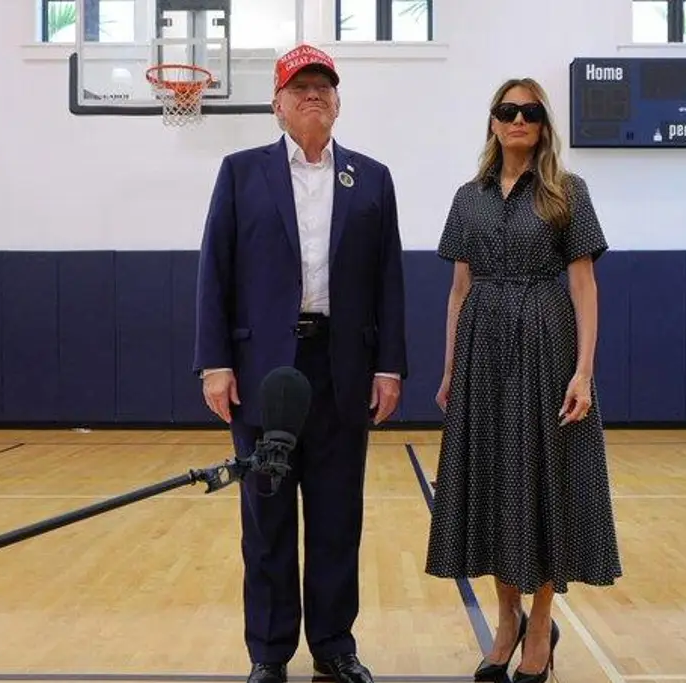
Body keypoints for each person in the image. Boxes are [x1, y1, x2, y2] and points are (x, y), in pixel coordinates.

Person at [193, 43, 407, 683]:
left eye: (324, 86)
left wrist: (389, 366)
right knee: (266, 522)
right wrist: (214, 363)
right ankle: (269, 653)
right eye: (300, 86)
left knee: (339, 517)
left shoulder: (371, 178)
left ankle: (335, 647)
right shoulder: (240, 173)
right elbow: (215, 269)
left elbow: (388, 279)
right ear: (278, 104)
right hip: (264, 372)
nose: (314, 93)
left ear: (338, 103)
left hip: (343, 367)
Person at [424, 77, 623, 683]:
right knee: (491, 483)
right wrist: (450, 368)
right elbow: (459, 289)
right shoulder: (468, 197)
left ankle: (540, 624)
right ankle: (505, 620)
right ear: (492, 122)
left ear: (542, 123)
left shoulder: (569, 192)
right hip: (483, 346)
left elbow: (584, 287)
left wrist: (584, 372)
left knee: (543, 481)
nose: (517, 119)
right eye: (507, 110)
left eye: (529, 111)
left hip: (546, 341)